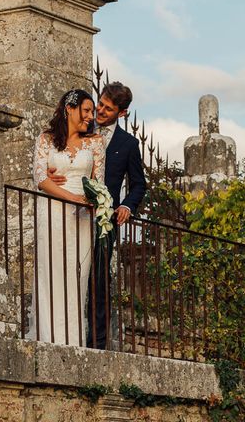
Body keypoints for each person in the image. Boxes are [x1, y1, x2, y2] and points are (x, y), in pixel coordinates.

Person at [48, 81, 146, 349]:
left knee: (99, 280)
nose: (100, 112)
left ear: (122, 113)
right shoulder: (81, 127)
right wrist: (49, 174)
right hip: (70, 212)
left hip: (104, 221)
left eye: (108, 108)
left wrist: (126, 206)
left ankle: (97, 344)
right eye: (100, 104)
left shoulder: (128, 144)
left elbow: (139, 184)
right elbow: (58, 155)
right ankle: (64, 332)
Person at [31, 88, 105, 346]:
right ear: (69, 109)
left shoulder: (96, 143)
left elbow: (99, 183)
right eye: (85, 111)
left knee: (76, 278)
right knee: (51, 273)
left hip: (82, 218)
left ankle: (73, 343)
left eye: (91, 112)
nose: (90, 116)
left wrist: (94, 203)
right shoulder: (46, 139)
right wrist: (70, 197)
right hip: (52, 211)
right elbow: (40, 178)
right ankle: (48, 340)